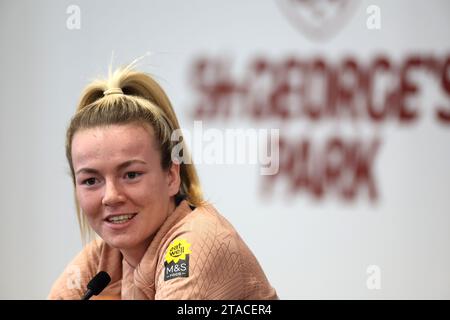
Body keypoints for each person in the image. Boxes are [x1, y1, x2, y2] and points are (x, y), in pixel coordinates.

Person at [48, 62, 278, 300]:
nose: (111, 196)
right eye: (91, 180)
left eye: (131, 175)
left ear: (171, 176)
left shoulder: (195, 243)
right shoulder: (106, 255)